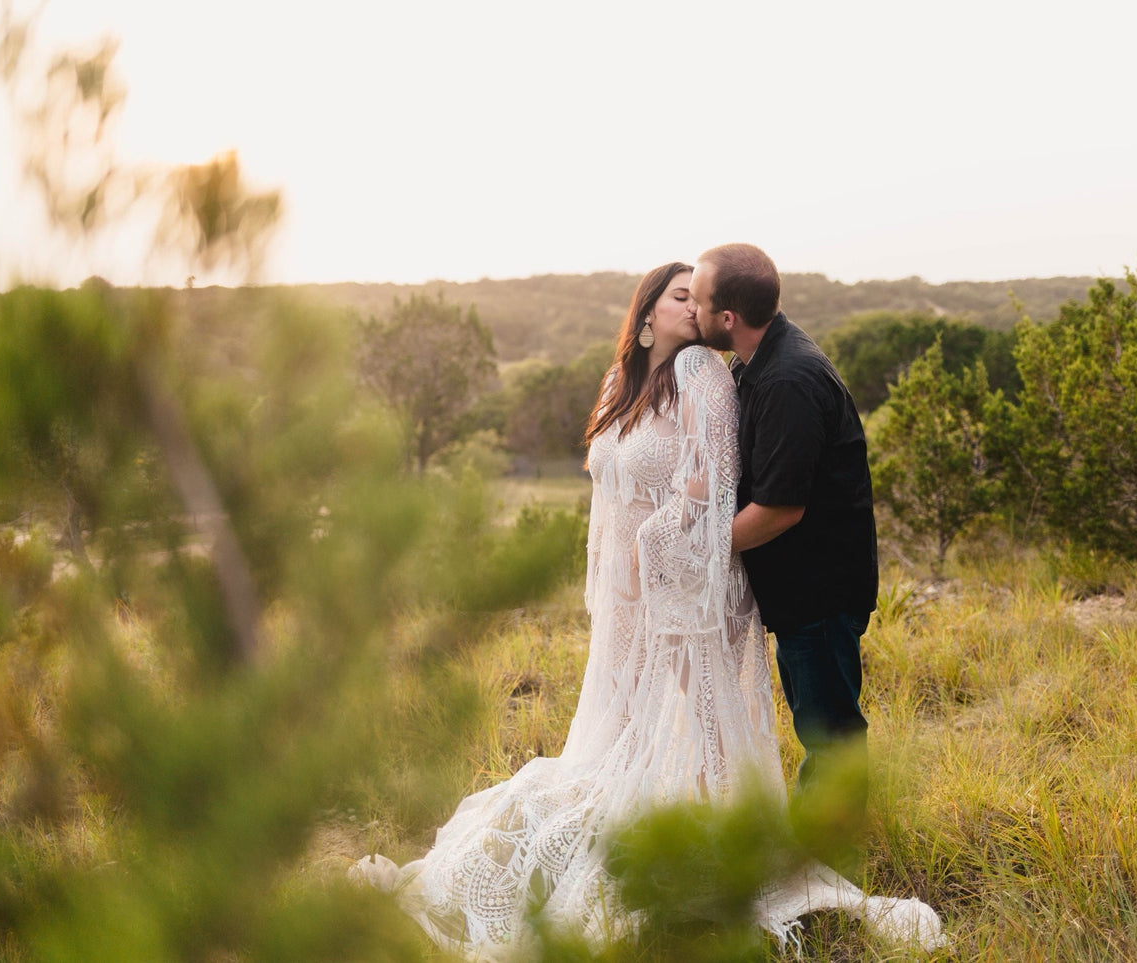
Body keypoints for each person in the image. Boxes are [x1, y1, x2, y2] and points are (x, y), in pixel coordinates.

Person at [351, 262, 941, 958]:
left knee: (703, 726)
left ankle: (736, 847)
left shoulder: (704, 375)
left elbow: (720, 483)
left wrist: (666, 537)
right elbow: (610, 490)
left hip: (688, 591)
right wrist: (613, 586)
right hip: (630, 602)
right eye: (679, 296)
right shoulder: (619, 384)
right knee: (627, 732)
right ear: (645, 314)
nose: (693, 307)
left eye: (700, 297)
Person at [689, 244, 878, 826]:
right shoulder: (753, 366)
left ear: (727, 319)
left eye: (697, 300)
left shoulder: (788, 380)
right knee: (818, 724)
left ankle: (832, 868)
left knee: (830, 736)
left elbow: (778, 511)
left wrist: (694, 553)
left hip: (819, 589)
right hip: (800, 590)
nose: (691, 310)